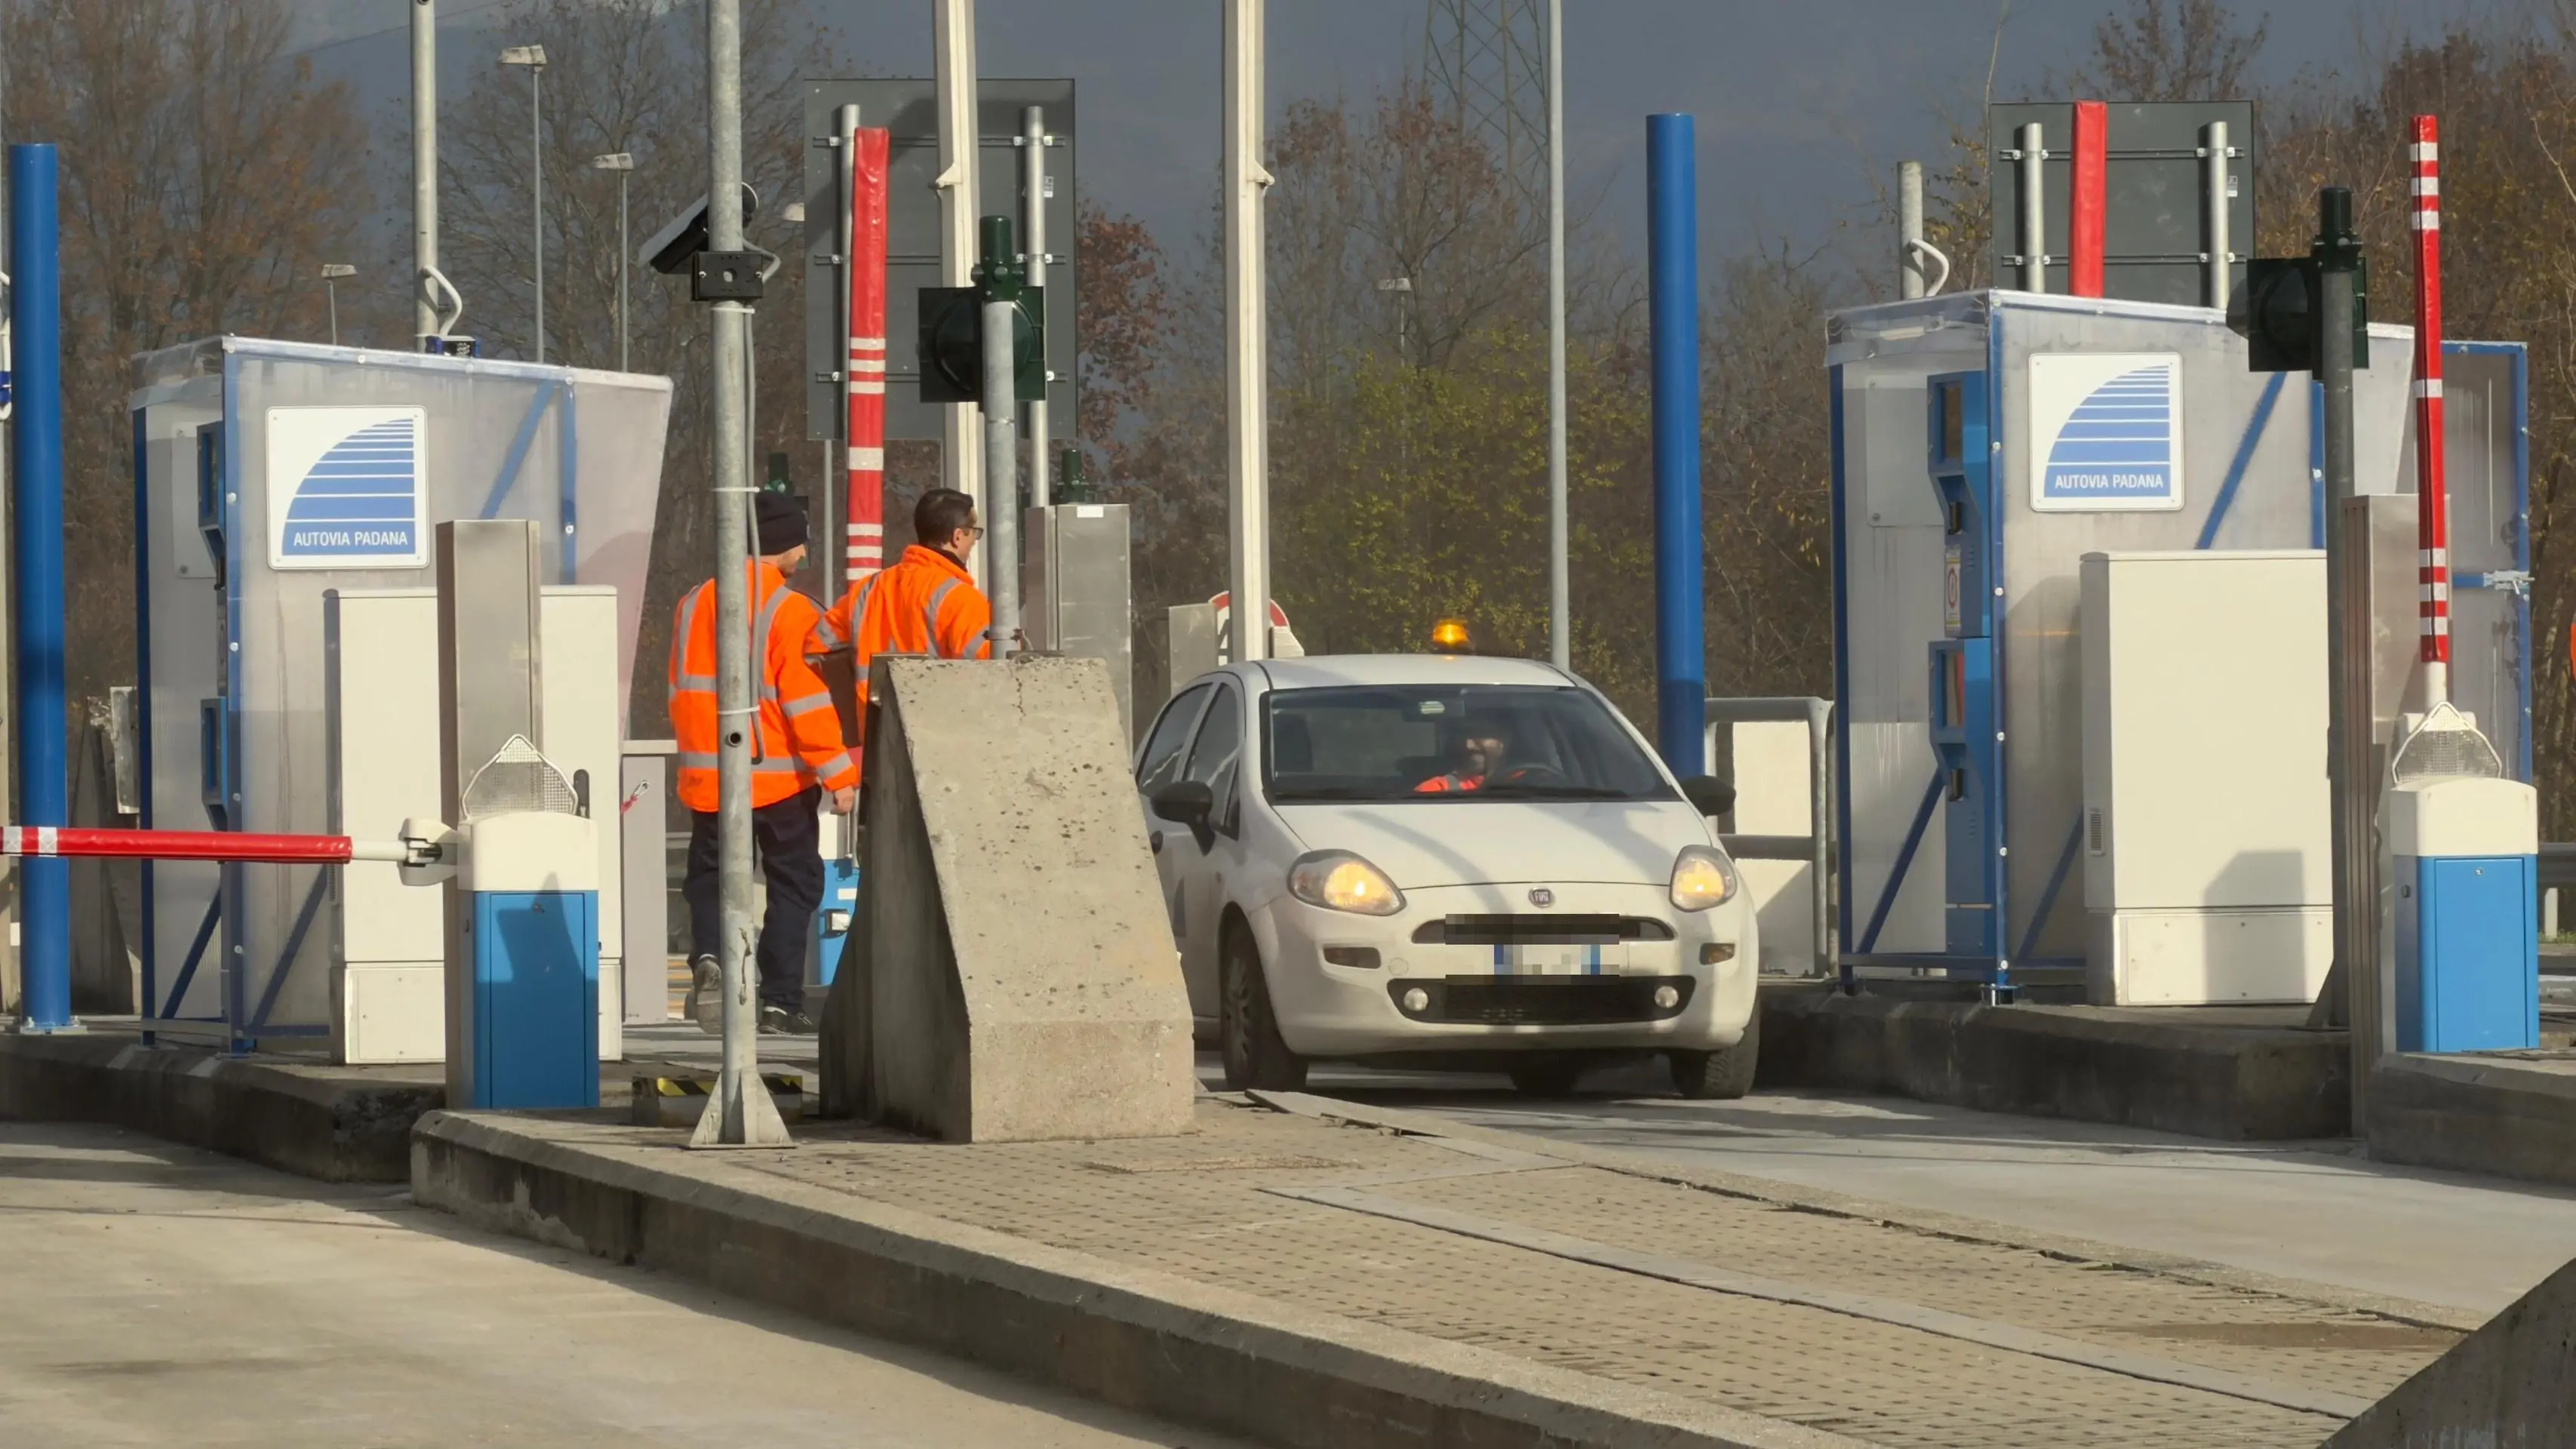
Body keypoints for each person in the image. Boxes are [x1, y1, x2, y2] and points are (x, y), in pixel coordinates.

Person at [670, 493, 855, 1036]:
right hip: (777, 778)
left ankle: (710, 955)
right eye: (801, 542)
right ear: (784, 544)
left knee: (710, 877)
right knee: (794, 883)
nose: (805, 552)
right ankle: (779, 1001)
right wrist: (838, 775)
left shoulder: (693, 602)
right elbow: (807, 703)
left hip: (710, 773)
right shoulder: (791, 610)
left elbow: (681, 689)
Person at [806, 488, 994, 785]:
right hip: (941, 747)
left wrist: (852, 717)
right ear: (958, 536)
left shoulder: (868, 589)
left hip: (877, 740)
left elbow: (816, 647)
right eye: (974, 534)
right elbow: (992, 670)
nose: (973, 542)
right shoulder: (961, 600)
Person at [1416, 714, 1513, 793]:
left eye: (1480, 735)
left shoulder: (1520, 783)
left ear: (1505, 740)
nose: (1468, 745)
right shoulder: (1436, 789)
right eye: (1463, 736)